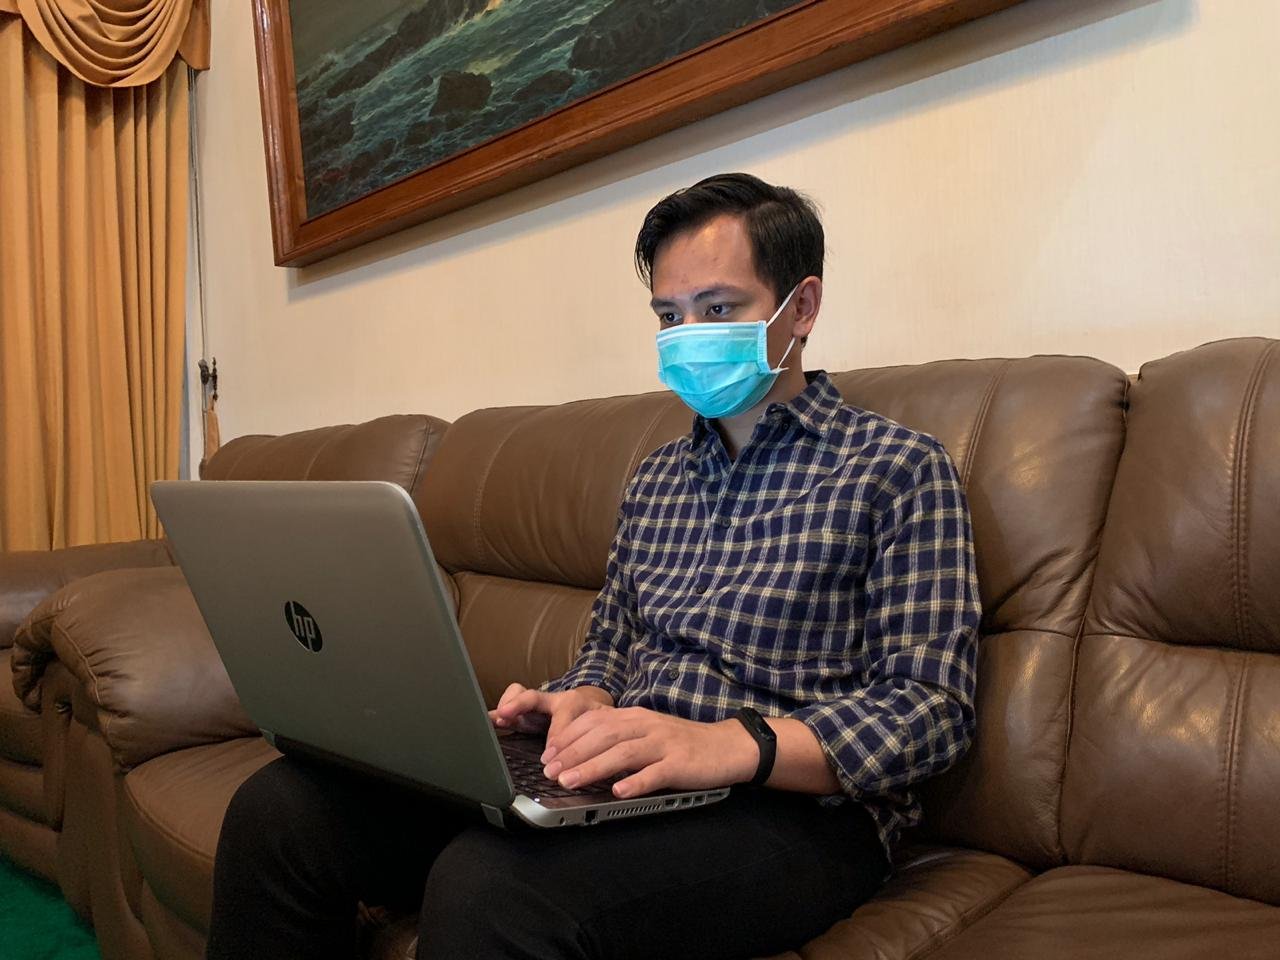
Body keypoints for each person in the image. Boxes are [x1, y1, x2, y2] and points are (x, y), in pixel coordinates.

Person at [205, 172, 980, 960]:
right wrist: (580, 696)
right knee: (282, 811)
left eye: (718, 310)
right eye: (669, 317)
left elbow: (932, 708)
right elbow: (611, 642)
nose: (688, 336)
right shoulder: (657, 478)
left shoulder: (897, 469)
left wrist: (735, 744)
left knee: (489, 889)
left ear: (802, 307)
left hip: (798, 809)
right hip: (631, 776)